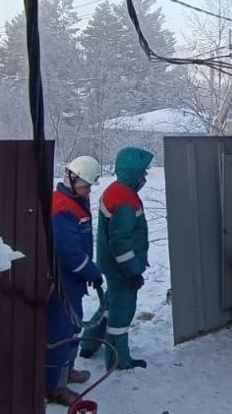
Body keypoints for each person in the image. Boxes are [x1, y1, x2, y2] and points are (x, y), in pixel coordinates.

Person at [79, 146, 154, 370]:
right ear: (133, 172)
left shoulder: (116, 190)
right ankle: (118, 359)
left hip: (111, 265)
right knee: (122, 312)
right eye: (143, 171)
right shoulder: (124, 200)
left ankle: (89, 343)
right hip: (121, 269)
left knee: (110, 304)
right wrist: (132, 272)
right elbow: (121, 243)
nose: (145, 175)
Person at [46, 155, 104, 406]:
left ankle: (67, 371)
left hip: (73, 283)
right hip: (62, 283)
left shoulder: (76, 202)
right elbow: (68, 253)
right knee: (61, 334)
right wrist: (91, 271)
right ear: (71, 179)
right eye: (85, 185)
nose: (88, 190)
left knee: (73, 328)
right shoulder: (62, 207)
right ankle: (54, 387)